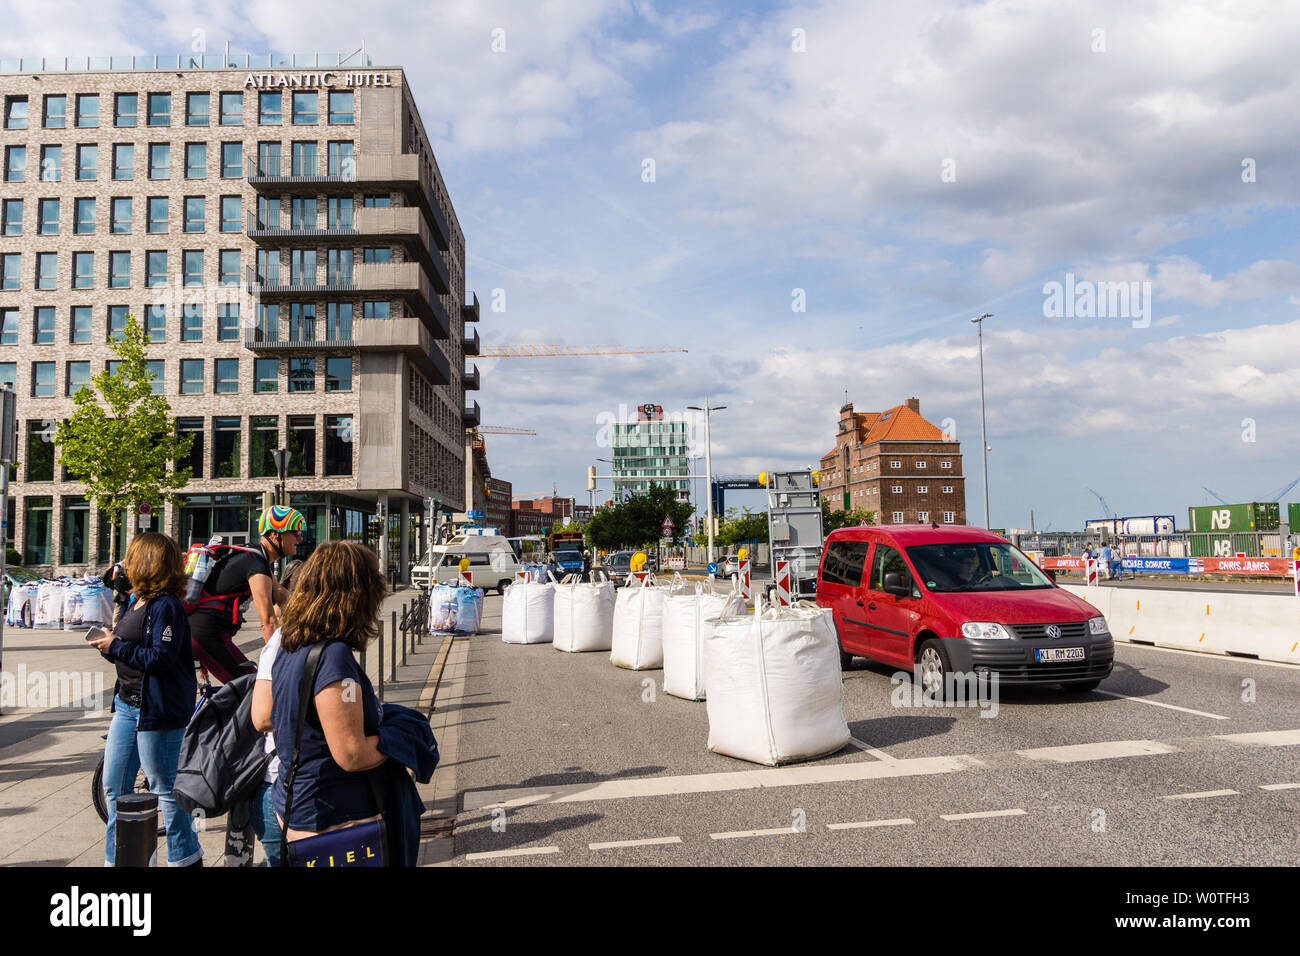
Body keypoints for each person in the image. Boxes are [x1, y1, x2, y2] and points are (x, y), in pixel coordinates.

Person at [254, 541, 389, 854]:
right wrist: (400, 739)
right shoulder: (333, 657)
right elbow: (351, 753)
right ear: (357, 597)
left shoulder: (290, 644)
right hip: (333, 818)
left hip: (301, 807)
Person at [88, 532, 203, 866]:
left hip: (158, 711)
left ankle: (185, 858)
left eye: (131, 555)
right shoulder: (138, 601)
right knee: (115, 787)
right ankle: (121, 860)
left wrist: (117, 647)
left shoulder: (166, 606)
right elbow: (133, 652)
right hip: (128, 707)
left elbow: (161, 658)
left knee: (164, 789)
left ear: (146, 561)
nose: (125, 562)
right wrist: (110, 647)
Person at [187, 506, 303, 684]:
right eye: (295, 532)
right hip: (207, 635)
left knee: (248, 684)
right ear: (275, 535)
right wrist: (282, 662)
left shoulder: (256, 558)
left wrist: (313, 617)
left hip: (208, 634)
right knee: (251, 686)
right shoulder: (255, 563)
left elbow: (281, 595)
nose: (300, 537)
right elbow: (268, 622)